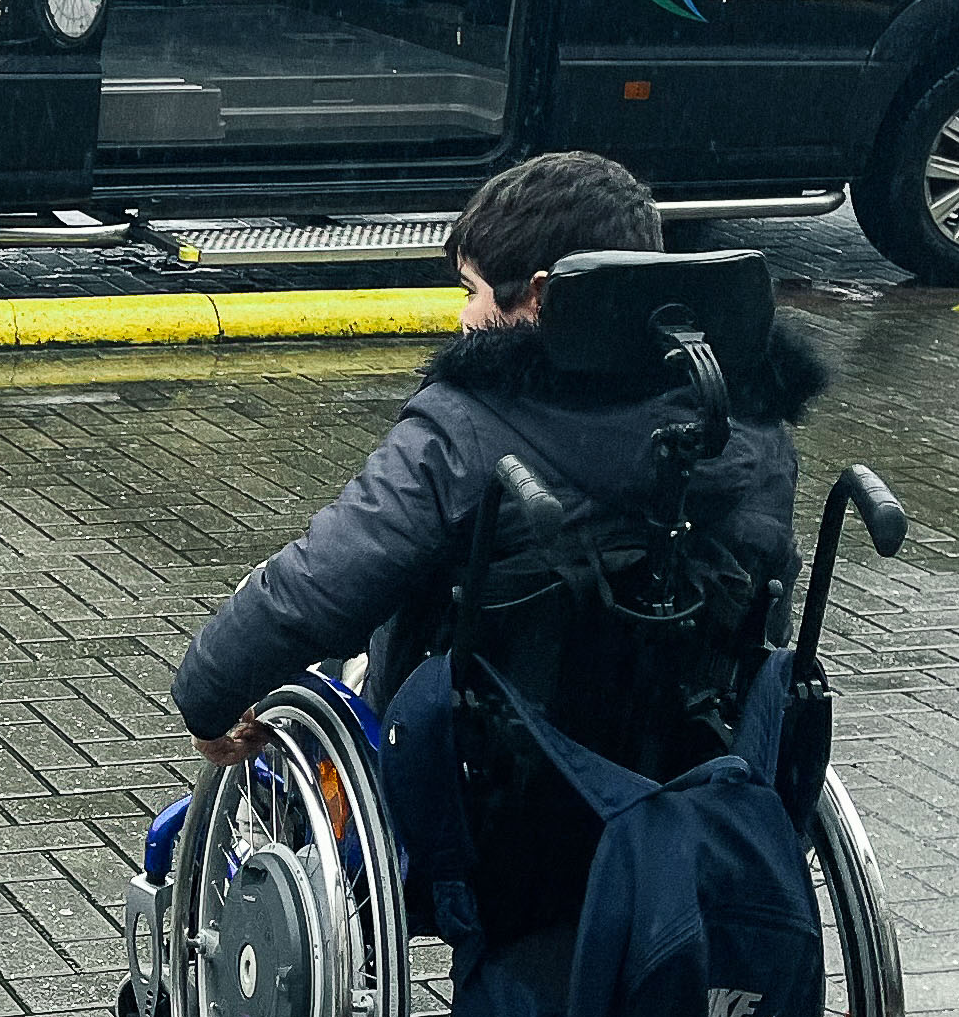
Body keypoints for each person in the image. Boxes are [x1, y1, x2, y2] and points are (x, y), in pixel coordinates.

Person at [170, 151, 832, 760]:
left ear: (540, 295)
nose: (463, 318)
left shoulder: (465, 427)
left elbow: (319, 589)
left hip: (479, 774)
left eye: (471, 291)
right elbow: (763, 610)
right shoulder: (747, 422)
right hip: (675, 760)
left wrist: (206, 696)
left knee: (315, 638)